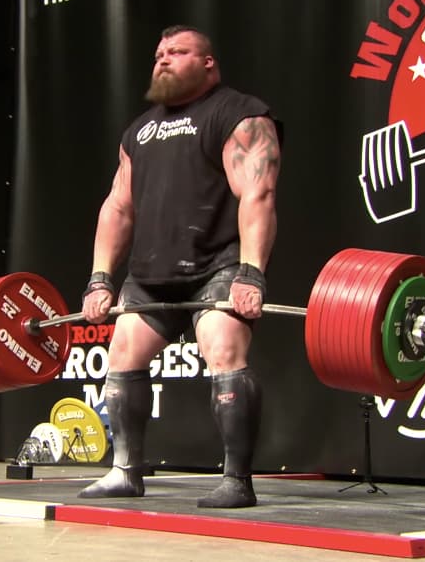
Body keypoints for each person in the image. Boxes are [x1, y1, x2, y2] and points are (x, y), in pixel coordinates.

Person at [78, 25, 282, 508]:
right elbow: (118, 208)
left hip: (218, 264)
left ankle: (237, 480)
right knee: (123, 352)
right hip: (151, 273)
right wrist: (100, 278)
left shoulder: (238, 113)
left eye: (178, 52)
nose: (163, 60)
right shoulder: (139, 131)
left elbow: (259, 192)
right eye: (159, 54)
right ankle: (126, 471)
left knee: (223, 347)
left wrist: (251, 273)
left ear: (208, 62)